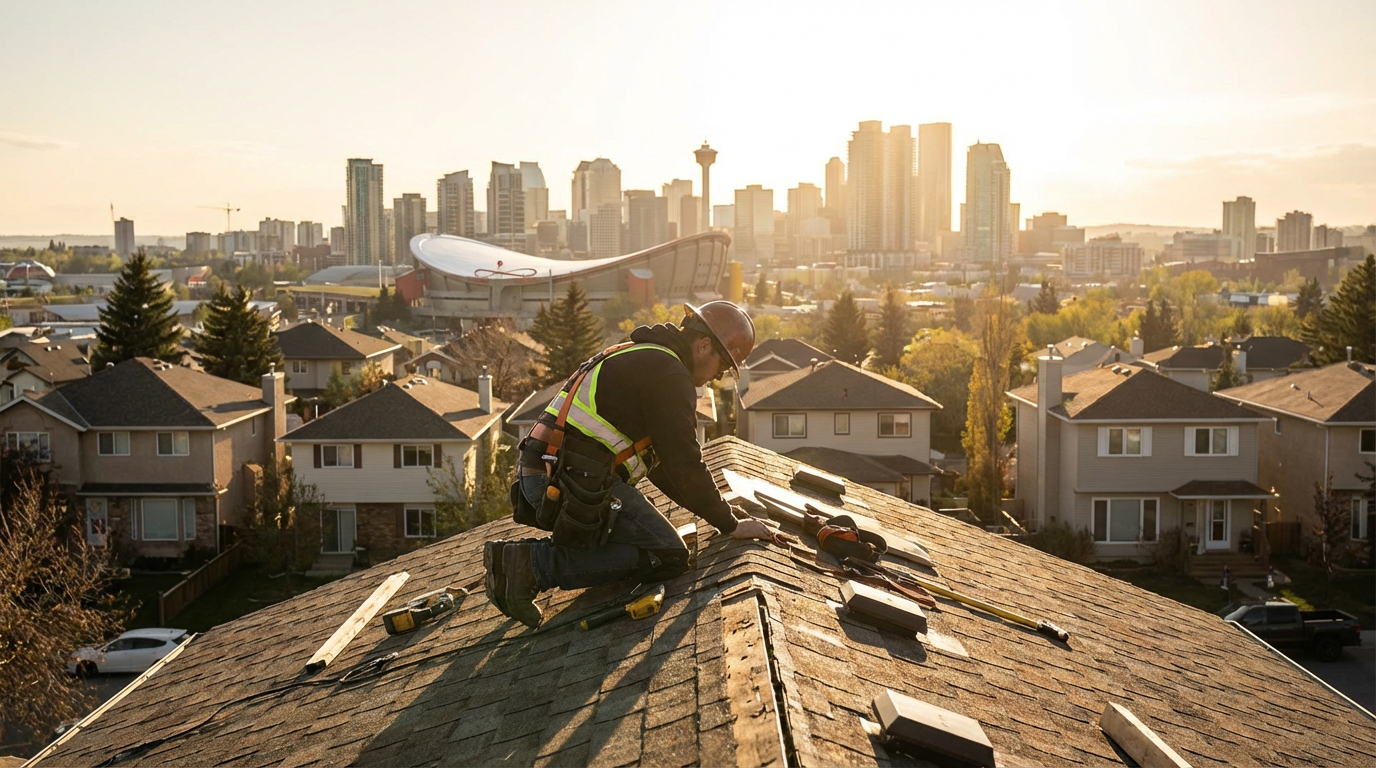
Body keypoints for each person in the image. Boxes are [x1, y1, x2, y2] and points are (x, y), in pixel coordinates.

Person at [484, 300, 776, 627]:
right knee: (669, 555)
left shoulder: (646, 355)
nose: (716, 378)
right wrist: (730, 525)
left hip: (553, 474)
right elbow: (683, 464)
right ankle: (529, 566)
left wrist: (723, 513)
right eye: (721, 368)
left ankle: (520, 562)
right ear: (704, 344)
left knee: (648, 541)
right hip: (565, 483)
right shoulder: (669, 374)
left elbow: (665, 468)